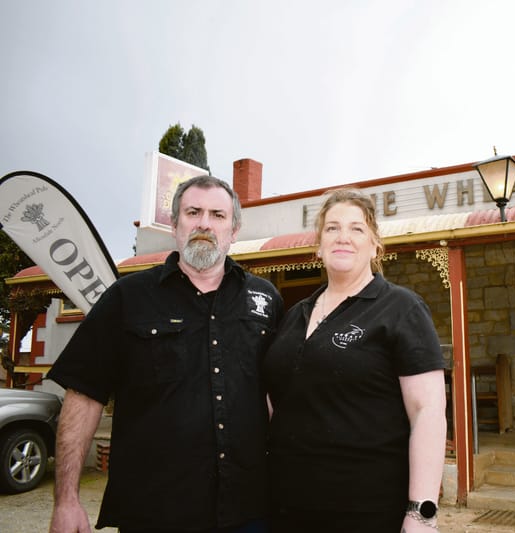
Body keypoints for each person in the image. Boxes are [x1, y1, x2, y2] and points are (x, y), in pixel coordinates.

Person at [48, 175, 283, 533]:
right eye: (193, 212)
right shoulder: (127, 298)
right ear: (174, 225)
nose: (205, 223)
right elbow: (83, 395)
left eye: (218, 215)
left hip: (248, 512)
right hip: (153, 512)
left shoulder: (266, 301)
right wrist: (66, 500)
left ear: (233, 230)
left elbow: (280, 398)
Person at [263, 187, 447, 533]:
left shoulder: (401, 308)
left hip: (366, 510)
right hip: (286, 506)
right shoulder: (294, 315)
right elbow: (276, 402)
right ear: (318, 244)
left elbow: (429, 412)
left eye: (356, 228)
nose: (343, 237)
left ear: (375, 243)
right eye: (332, 228)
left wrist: (421, 514)